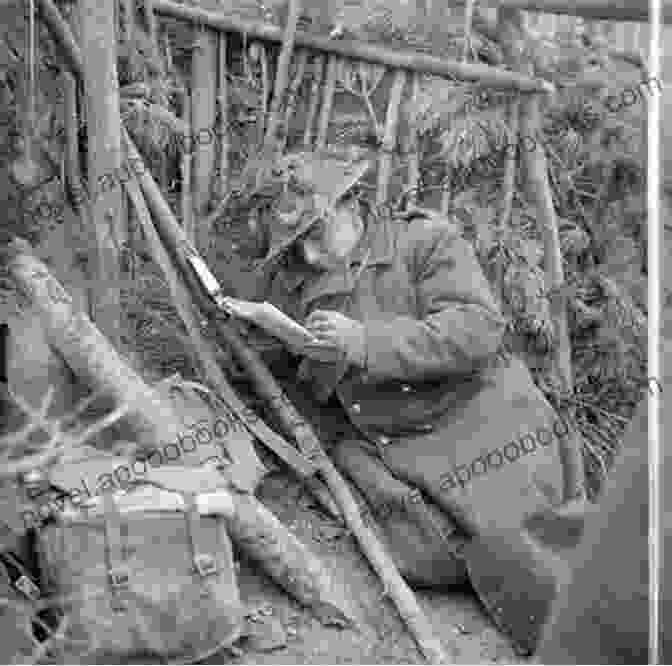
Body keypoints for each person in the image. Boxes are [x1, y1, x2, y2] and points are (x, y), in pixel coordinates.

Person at [223, 148, 586, 655]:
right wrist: (267, 343)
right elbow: (319, 378)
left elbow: (476, 330)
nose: (306, 259)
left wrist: (365, 342)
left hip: (484, 421)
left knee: (523, 551)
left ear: (349, 206)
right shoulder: (313, 285)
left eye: (312, 236)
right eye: (293, 250)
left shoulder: (424, 241)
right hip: (401, 443)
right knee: (420, 549)